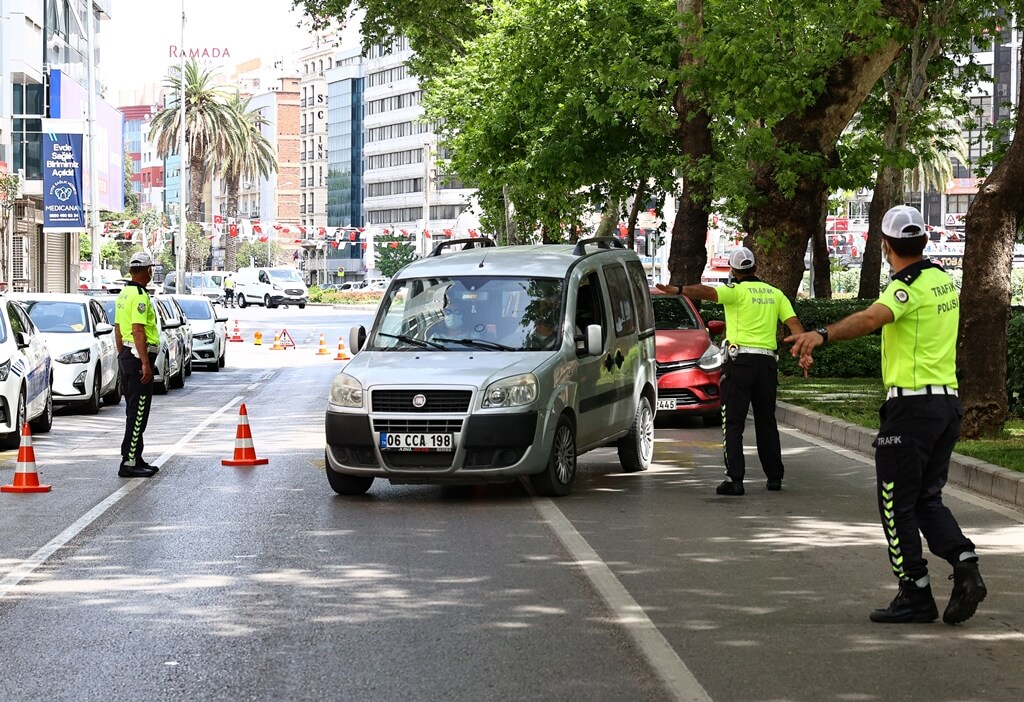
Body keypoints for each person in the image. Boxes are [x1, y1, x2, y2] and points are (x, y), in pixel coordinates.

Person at [786, 205, 986, 625]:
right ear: (924, 242)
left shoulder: (905, 287)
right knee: (927, 498)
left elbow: (872, 317)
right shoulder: (942, 280)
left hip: (911, 409)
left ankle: (914, 591)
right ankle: (964, 561)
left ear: (885, 246)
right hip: (946, 405)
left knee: (896, 502)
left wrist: (821, 334)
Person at [656, 247, 805, 495]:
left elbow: (706, 291)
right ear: (755, 268)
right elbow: (794, 324)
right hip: (767, 365)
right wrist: (804, 351)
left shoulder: (735, 292)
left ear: (734, 271)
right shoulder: (775, 294)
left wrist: (680, 290)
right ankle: (774, 478)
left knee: (733, 422)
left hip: (739, 364)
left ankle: (734, 480)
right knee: (766, 421)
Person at [113, 252, 161, 478]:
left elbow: (117, 328)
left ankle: (136, 456)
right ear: (147, 270)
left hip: (127, 355)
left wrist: (121, 352)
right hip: (137, 357)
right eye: (151, 269)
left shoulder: (124, 293)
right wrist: (144, 363)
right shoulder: (140, 296)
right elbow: (138, 329)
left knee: (135, 409)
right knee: (138, 410)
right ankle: (129, 461)